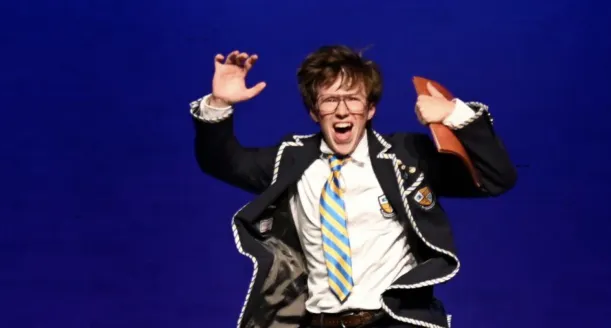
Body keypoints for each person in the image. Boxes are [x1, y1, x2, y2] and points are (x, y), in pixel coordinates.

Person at [189, 45, 516, 328]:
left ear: (370, 108)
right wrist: (219, 103)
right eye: (330, 100)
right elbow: (223, 161)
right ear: (314, 112)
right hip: (319, 320)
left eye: (352, 99)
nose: (342, 110)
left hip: (394, 320)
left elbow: (495, 179)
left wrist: (455, 114)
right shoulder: (290, 159)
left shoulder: (407, 156)